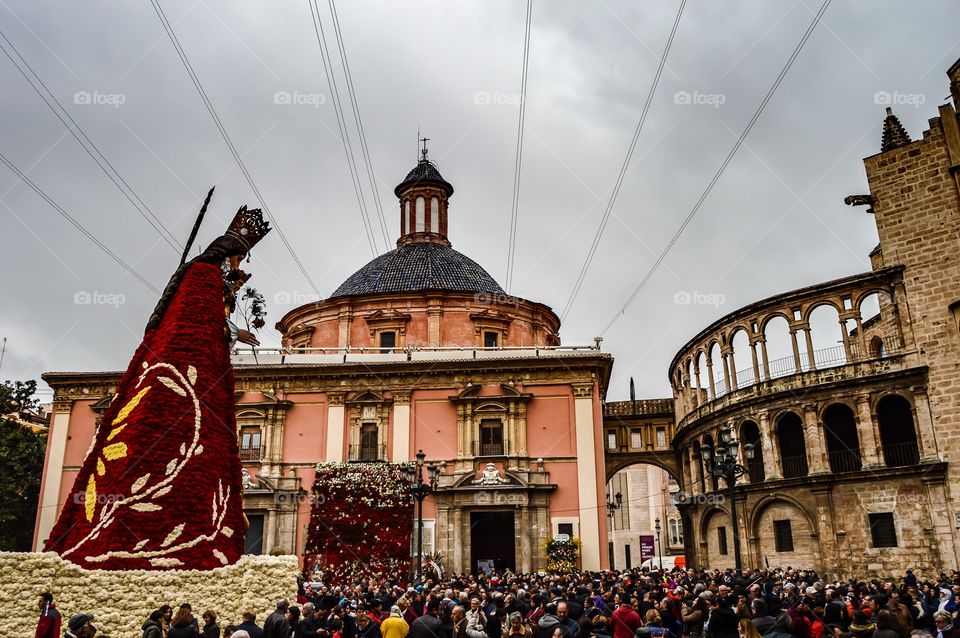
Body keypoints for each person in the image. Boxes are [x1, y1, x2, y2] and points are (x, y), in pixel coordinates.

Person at [44, 201, 270, 570]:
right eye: (238, 258)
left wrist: (229, 296)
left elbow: (210, 312)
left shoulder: (205, 274)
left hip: (197, 366)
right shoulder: (201, 274)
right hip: (186, 364)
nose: (238, 266)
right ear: (228, 250)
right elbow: (198, 315)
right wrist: (232, 325)